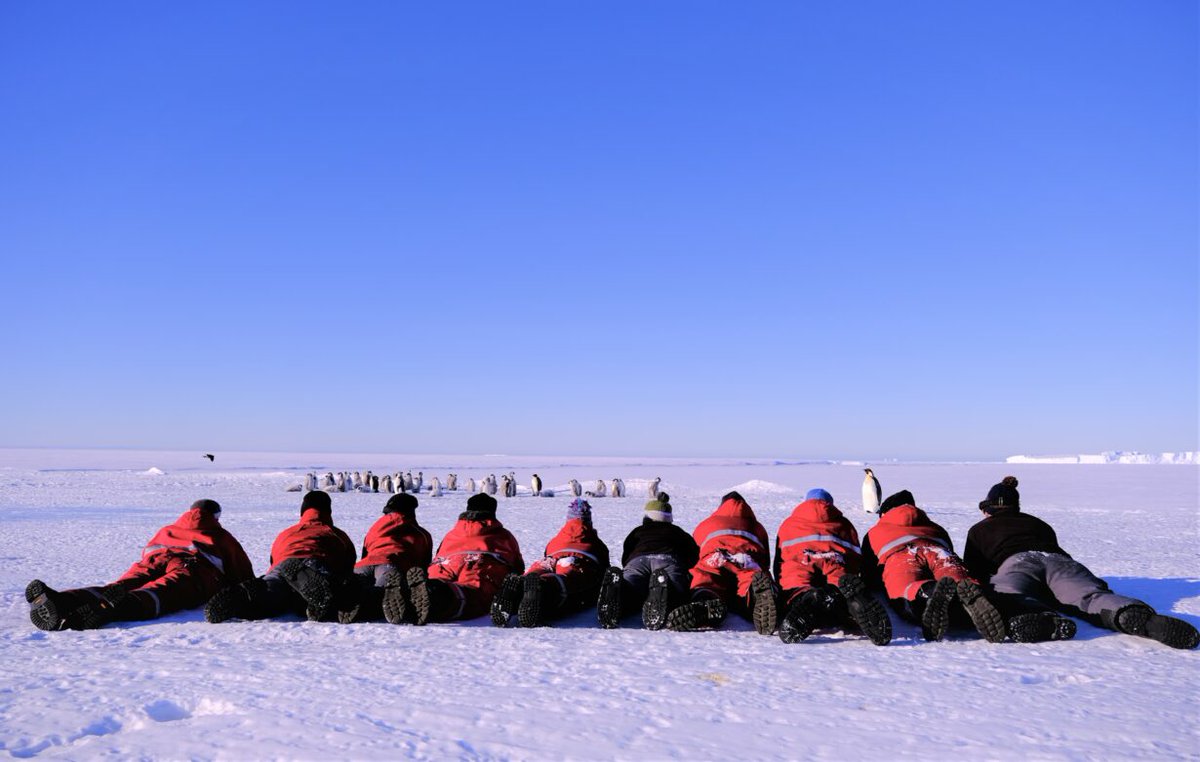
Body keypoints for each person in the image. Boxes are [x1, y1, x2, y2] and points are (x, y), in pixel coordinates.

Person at [964, 476, 1198, 649]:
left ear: (988, 509)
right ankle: (1133, 615)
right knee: (1089, 596)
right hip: (1060, 562)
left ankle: (1044, 619)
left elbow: (973, 571)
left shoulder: (979, 529)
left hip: (1017, 563)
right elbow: (1050, 551)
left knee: (1008, 595)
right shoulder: (1039, 524)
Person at [27, 499, 254, 631]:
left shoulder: (168, 529)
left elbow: (148, 551)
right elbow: (240, 570)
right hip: (191, 569)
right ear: (215, 516)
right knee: (159, 593)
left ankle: (64, 600)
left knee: (119, 585)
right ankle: (111, 610)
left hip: (155, 559)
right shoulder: (219, 535)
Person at [860, 490, 1006, 643]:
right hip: (939, 552)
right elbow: (949, 547)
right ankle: (971, 594)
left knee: (905, 588)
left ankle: (927, 591)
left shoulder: (874, 532)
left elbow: (870, 572)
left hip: (902, 556)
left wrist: (876, 585)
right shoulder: (936, 527)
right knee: (958, 579)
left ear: (884, 513)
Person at [205, 491, 357, 623]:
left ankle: (249, 596)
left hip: (282, 566)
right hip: (315, 564)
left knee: (274, 592)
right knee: (326, 592)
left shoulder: (286, 533)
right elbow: (348, 563)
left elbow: (274, 558)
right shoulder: (334, 533)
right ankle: (304, 593)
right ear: (328, 510)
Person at [773, 489, 891, 645]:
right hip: (836, 562)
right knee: (841, 590)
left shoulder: (788, 524)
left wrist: (782, 588)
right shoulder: (844, 524)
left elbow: (779, 561)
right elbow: (855, 558)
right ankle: (850, 604)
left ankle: (807, 598)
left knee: (796, 586)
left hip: (801, 563)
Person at [397, 493, 524, 625]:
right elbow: (517, 565)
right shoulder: (503, 535)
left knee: (439, 579)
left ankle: (409, 595)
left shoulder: (452, 533)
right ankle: (434, 596)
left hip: (444, 564)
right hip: (479, 565)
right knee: (472, 594)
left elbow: (439, 554)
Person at [667, 491, 778, 634]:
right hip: (745, 559)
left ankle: (705, 600)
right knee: (750, 578)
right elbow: (765, 560)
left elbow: (695, 551)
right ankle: (755, 597)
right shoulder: (757, 527)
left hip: (715, 557)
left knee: (707, 578)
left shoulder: (706, 524)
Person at [492, 498, 610, 627]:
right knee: (568, 578)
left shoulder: (557, 537)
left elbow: (547, 551)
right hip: (576, 561)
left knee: (541, 569)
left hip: (550, 558)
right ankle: (543, 584)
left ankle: (519, 584)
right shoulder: (594, 540)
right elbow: (603, 565)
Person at [596, 493, 700, 630]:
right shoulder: (677, 531)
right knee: (677, 591)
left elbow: (627, 550)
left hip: (638, 560)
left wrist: (629, 565)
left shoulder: (638, 531)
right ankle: (663, 593)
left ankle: (619, 594)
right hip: (667, 559)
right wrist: (684, 568)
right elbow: (693, 553)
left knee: (632, 588)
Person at [338, 493, 434, 624]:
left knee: (357, 587)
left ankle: (352, 596)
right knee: (383, 595)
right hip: (391, 565)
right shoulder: (420, 533)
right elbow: (423, 563)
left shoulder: (374, 529)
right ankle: (370, 602)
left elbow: (365, 552)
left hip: (364, 565)